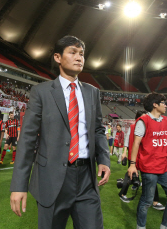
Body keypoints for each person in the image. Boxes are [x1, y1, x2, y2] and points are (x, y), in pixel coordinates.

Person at [10, 35, 110, 229]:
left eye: (81, 54)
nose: (79, 57)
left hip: (87, 180)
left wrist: (104, 159)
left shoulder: (92, 92)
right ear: (58, 57)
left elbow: (98, 129)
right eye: (72, 52)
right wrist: (18, 186)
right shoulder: (41, 92)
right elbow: (27, 140)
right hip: (52, 180)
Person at [128, 92, 167, 229]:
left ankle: (165, 227)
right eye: (163, 103)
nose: (166, 105)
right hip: (148, 167)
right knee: (147, 201)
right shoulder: (143, 121)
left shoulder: (165, 120)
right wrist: (132, 165)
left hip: (165, 166)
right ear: (155, 104)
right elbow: (136, 143)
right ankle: (140, 227)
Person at [121, 110, 165, 210]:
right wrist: (124, 152)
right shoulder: (132, 127)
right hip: (134, 157)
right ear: (138, 118)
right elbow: (127, 140)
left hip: (146, 158)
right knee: (130, 177)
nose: (146, 118)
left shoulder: (149, 127)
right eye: (143, 117)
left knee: (151, 178)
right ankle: (123, 194)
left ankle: (155, 201)